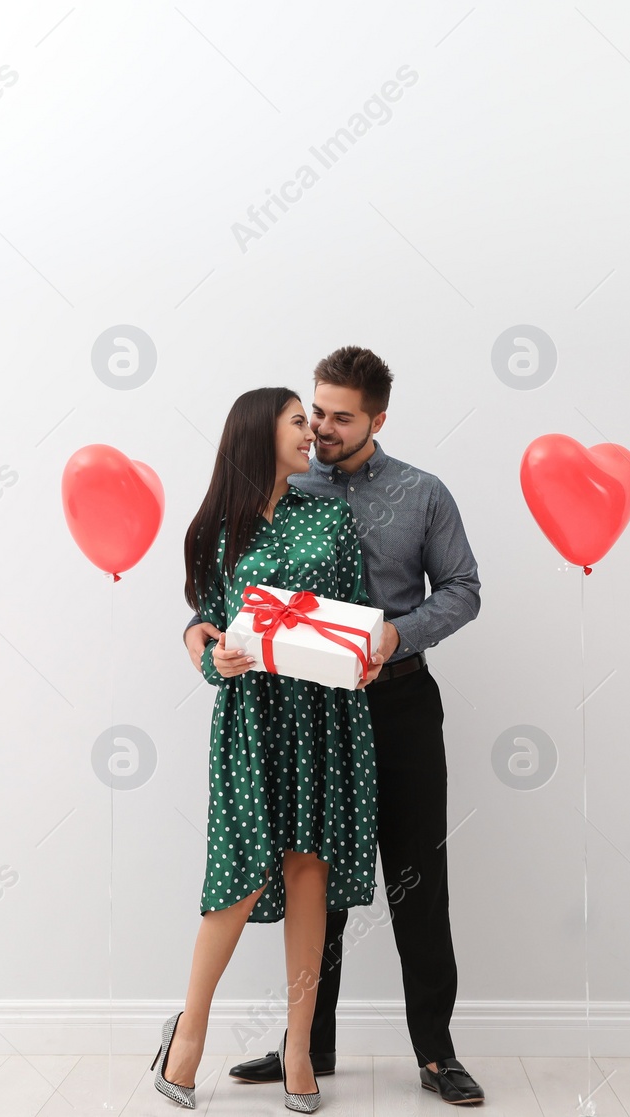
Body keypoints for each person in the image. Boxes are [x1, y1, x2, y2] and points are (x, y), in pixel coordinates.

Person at [185, 348, 486, 1106]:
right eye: (314, 411)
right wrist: (204, 644)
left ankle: (435, 1052)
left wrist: (398, 634)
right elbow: (216, 605)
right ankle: (306, 1046)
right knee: (314, 874)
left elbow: (464, 590)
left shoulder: (423, 493)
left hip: (399, 702)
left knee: (416, 877)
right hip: (306, 714)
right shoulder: (283, 486)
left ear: (378, 419)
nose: (321, 428)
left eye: (339, 417)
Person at [153, 386, 385, 1112]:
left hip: (323, 713)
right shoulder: (215, 530)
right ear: (260, 433)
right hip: (253, 717)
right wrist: (206, 657)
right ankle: (187, 1034)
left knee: (308, 868)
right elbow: (207, 622)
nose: (311, 431)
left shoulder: (333, 517)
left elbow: (353, 611)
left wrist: (368, 651)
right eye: (297, 421)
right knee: (242, 872)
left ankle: (299, 1046)